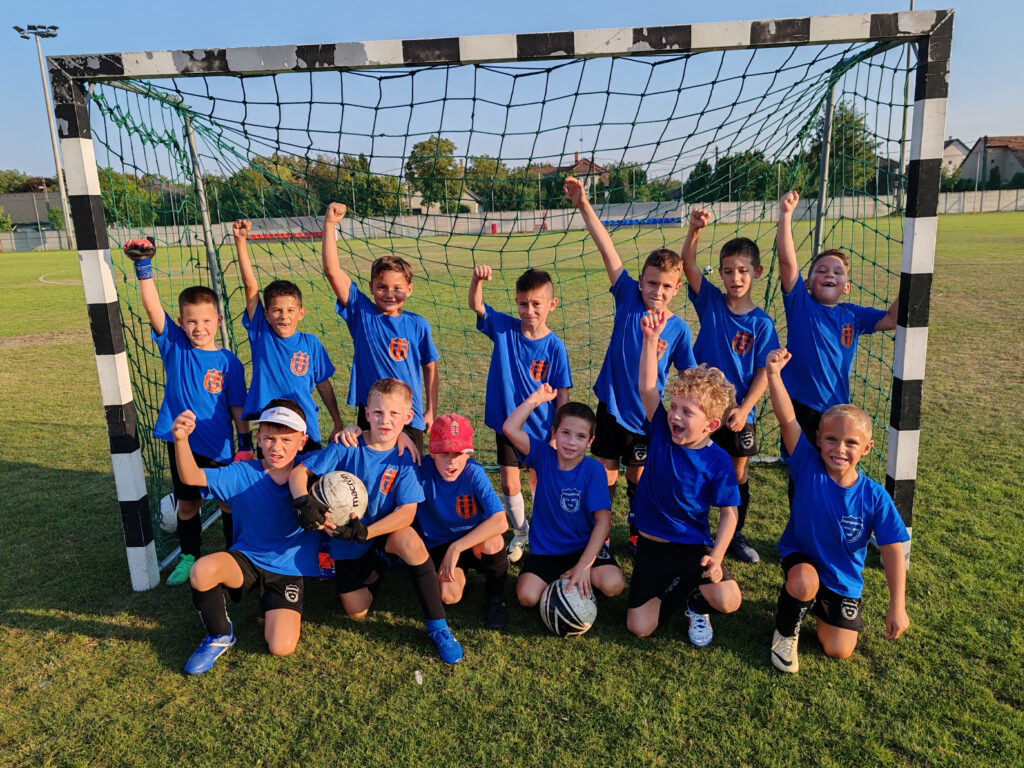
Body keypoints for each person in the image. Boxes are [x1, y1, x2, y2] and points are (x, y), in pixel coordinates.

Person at [564, 176, 696, 552]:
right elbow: (608, 250)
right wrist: (584, 205)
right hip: (610, 408)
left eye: (666, 286)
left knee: (638, 477)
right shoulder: (627, 297)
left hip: (646, 417)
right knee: (604, 476)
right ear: (641, 281)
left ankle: (638, 533)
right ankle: (601, 537)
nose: (657, 291)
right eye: (652, 283)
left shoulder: (679, 329)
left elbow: (687, 374)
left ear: (676, 289)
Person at [289, 378, 464, 664]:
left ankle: (438, 626)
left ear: (408, 417)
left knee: (410, 541)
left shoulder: (405, 457)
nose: (385, 420)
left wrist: (365, 532)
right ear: (367, 413)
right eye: (379, 412)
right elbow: (299, 473)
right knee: (356, 611)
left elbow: (407, 513)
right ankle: (380, 567)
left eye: (394, 414)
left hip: (381, 531)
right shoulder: (347, 445)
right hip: (346, 536)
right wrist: (302, 503)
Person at [764, 348, 909, 673]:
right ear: (818, 439)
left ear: (867, 448)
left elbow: (892, 550)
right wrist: (773, 374)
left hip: (842, 578)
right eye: (831, 439)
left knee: (838, 649)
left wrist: (897, 605)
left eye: (851, 443)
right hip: (801, 558)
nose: (839, 449)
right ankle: (786, 630)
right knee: (804, 582)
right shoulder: (806, 463)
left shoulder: (874, 496)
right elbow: (788, 419)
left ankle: (815, 605)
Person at [124, 238, 249, 587]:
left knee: (228, 503)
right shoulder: (175, 345)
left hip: (220, 446)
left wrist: (244, 443)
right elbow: (152, 309)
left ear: (218, 320)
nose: (199, 328)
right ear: (181, 322)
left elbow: (238, 406)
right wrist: (143, 266)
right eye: (191, 321)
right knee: (187, 505)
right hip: (182, 444)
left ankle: (234, 556)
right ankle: (189, 556)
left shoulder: (229, 362)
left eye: (206, 321)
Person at [170, 399, 318, 675]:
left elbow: (349, 453)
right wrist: (180, 440)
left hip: (287, 569)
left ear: (302, 442)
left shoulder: (311, 470)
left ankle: (271, 602)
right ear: (258, 438)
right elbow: (191, 476)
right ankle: (219, 635)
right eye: (270, 438)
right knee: (202, 570)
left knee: (281, 646)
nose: (277, 447)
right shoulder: (242, 473)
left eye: (287, 440)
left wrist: (354, 432)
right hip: (247, 559)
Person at [625, 310, 742, 646]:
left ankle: (697, 603)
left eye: (686, 412)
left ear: (711, 425)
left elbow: (729, 514)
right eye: (674, 406)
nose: (674, 415)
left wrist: (717, 557)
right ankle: (683, 590)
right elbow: (648, 387)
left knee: (729, 600)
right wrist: (650, 340)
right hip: (651, 546)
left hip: (692, 547)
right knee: (639, 627)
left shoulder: (718, 461)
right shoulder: (661, 431)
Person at [681, 211, 780, 563]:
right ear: (720, 273)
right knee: (695, 466)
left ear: (757, 272)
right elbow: (688, 264)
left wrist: (744, 408)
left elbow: (763, 371)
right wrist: (694, 229)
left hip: (738, 413)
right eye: (727, 271)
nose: (735, 278)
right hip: (701, 408)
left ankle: (734, 533)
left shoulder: (761, 323)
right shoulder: (710, 301)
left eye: (742, 270)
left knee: (737, 472)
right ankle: (692, 531)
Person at [775, 190, 898, 445]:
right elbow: (788, 264)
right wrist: (785, 215)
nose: (830, 274)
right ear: (807, 282)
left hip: (837, 408)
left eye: (838, 272)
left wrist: (912, 281)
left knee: (833, 462)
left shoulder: (853, 315)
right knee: (800, 464)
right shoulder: (800, 305)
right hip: (800, 405)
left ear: (846, 287)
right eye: (822, 270)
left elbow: (891, 319)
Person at [468, 264, 572, 563]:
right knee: (509, 484)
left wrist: (558, 431)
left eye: (536, 304)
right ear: (516, 302)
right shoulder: (504, 328)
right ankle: (521, 531)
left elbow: (563, 394)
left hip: (541, 429)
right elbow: (476, 305)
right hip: (507, 425)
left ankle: (542, 530)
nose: (529, 310)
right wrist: (477, 280)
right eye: (523, 304)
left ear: (552, 304)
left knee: (539, 483)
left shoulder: (555, 347)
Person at [320, 202, 437, 453]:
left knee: (408, 466)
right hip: (372, 412)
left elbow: (430, 366)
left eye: (397, 288)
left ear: (409, 289)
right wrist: (330, 225)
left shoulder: (418, 324)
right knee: (370, 465)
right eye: (382, 287)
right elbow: (332, 271)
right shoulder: (362, 313)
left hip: (409, 415)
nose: (389, 293)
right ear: (371, 288)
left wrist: (431, 409)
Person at [502, 385, 624, 609]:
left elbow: (603, 521)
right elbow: (509, 428)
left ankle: (578, 578)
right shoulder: (542, 455)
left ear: (590, 441)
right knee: (527, 597)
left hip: (582, 547)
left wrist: (584, 566)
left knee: (613, 584)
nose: (571, 442)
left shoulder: (593, 470)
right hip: (546, 551)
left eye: (580, 436)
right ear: (554, 432)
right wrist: (537, 398)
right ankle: (565, 586)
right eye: (565, 433)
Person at [233, 220, 344, 451]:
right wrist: (241, 241)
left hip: (305, 428)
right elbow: (250, 287)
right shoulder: (261, 335)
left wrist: (337, 420)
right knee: (273, 472)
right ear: (266, 314)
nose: (284, 316)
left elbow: (324, 385)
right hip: (271, 430)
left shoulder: (310, 343)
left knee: (306, 473)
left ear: (301, 313)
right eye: (276, 310)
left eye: (290, 310)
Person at [416, 413, 510, 629]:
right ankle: (460, 575)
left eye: (458, 453)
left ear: (468, 454)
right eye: (444, 453)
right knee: (449, 596)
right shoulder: (420, 468)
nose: (451, 460)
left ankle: (494, 599)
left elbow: (501, 521)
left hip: (472, 543)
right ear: (432, 452)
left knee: (493, 540)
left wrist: (456, 548)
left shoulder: (473, 472)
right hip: (440, 545)